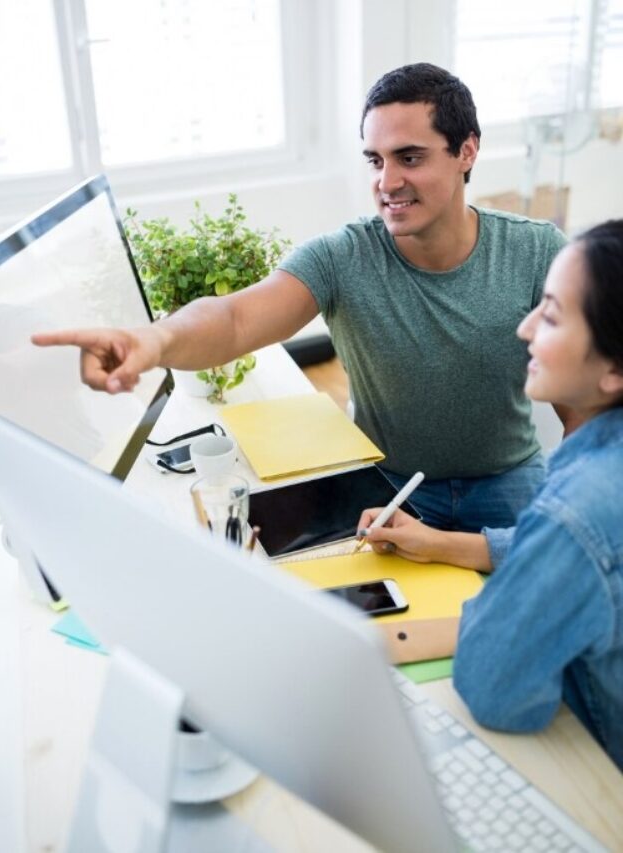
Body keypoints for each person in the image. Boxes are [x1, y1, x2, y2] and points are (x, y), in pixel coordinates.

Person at [32, 63, 567, 533]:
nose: (388, 181)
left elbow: (587, 406)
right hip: (391, 487)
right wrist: (153, 339)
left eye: (409, 157)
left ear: (466, 150)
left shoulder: (536, 252)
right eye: (375, 161)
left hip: (508, 482)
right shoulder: (344, 256)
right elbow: (236, 318)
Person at [357, 220, 623, 770]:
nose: (524, 329)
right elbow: (574, 555)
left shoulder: (577, 510)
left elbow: (493, 686)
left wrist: (499, 607)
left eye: (550, 315)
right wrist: (442, 543)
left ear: (613, 369)